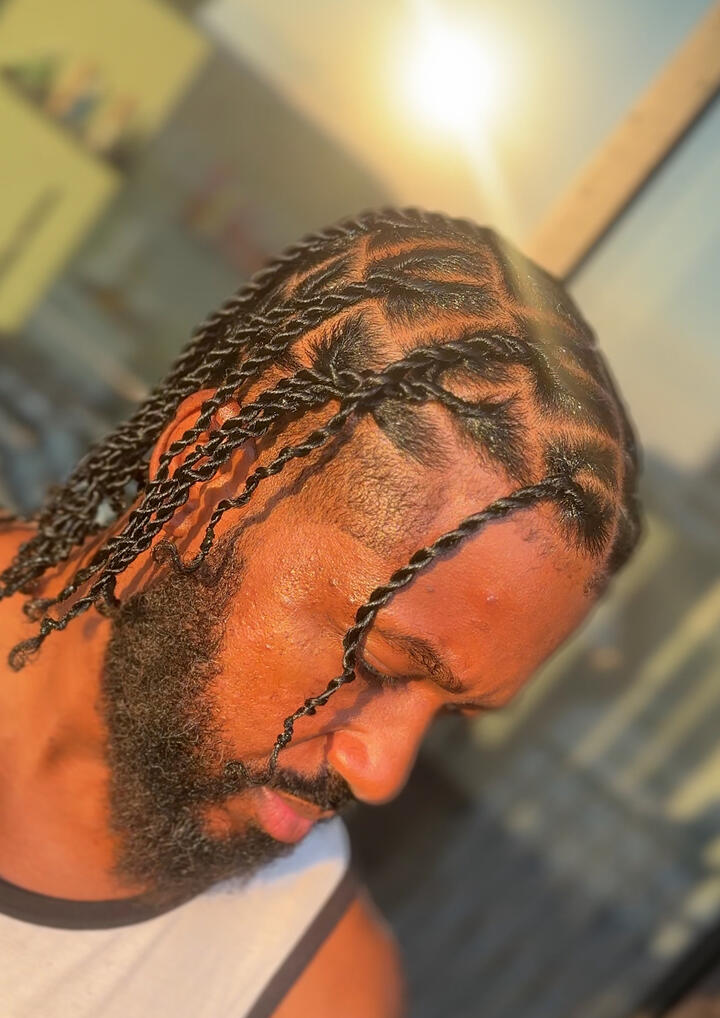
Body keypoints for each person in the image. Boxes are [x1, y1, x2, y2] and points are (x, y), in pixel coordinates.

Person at [0, 207, 641, 1017]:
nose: (381, 775)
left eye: (453, 715)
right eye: (374, 665)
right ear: (209, 478)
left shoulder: (313, 991)